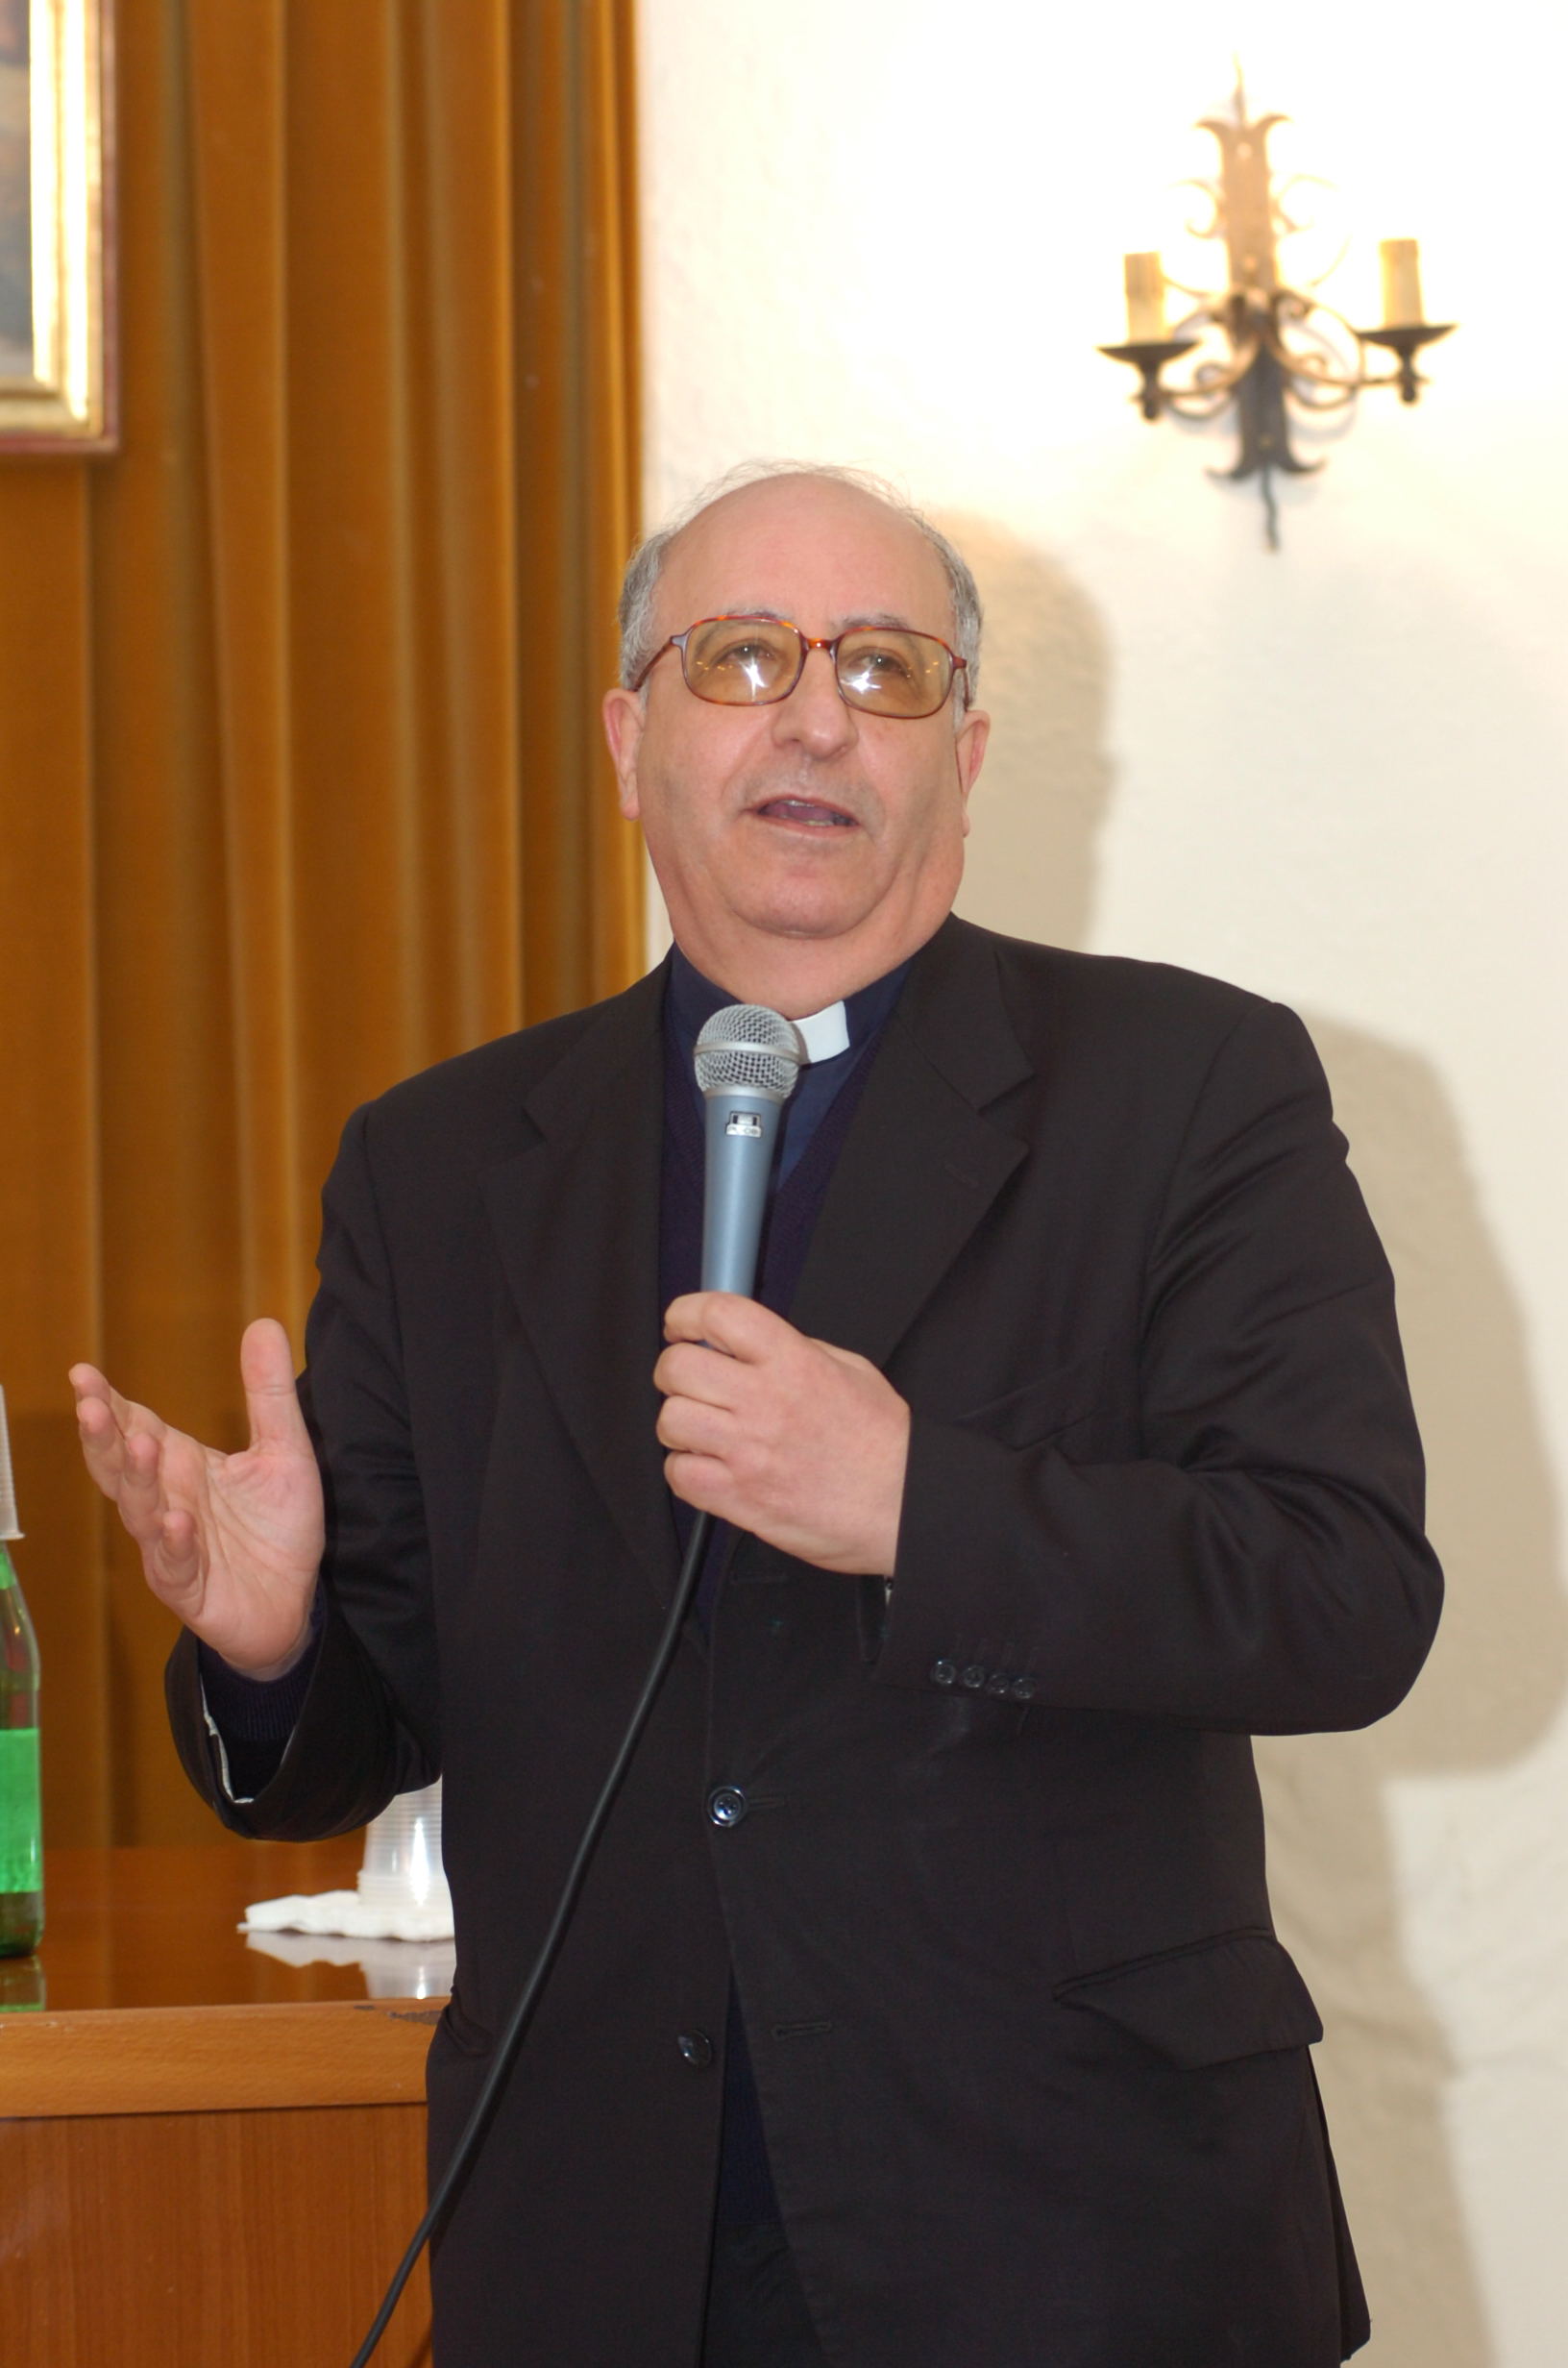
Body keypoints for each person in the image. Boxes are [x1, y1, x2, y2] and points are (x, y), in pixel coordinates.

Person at [72, 464, 1442, 2368]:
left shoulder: (1188, 1086)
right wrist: (278, 1643)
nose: (815, 716)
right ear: (630, 740)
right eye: (740, 657)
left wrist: (914, 1504)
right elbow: (368, 1723)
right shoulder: (440, 1164)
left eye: (884, 667)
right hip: (601, 2251)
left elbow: (1344, 1592)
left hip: (1074, 2243)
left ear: (964, 755)